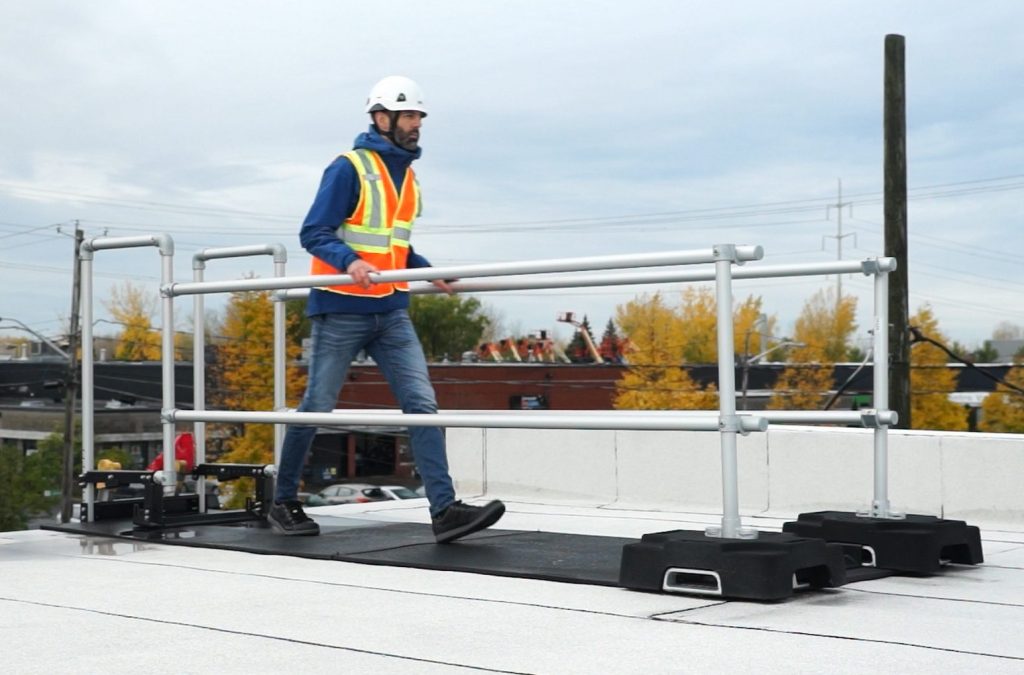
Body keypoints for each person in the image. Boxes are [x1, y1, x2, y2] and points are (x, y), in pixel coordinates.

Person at [268, 75, 505, 542]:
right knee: (317, 406)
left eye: (419, 116)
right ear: (382, 118)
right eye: (409, 116)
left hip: (392, 310)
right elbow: (315, 232)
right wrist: (349, 261)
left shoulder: (409, 178)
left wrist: (426, 271)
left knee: (421, 406)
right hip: (340, 308)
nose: (417, 125)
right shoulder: (348, 168)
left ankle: (445, 511)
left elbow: (396, 247)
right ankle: (283, 502)